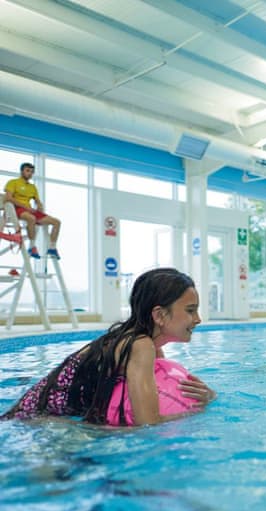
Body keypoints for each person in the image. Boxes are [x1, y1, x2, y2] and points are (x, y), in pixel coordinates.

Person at [2, 268, 216, 426]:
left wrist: (207, 396)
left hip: (43, 415)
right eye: (190, 310)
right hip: (33, 420)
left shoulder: (145, 345)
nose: (198, 319)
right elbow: (148, 425)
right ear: (159, 315)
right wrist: (199, 409)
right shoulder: (141, 346)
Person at [4, 162, 62, 259]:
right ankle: (32, 247)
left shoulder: (32, 187)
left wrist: (39, 205)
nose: (30, 173)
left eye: (32, 172)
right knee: (31, 218)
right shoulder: (13, 182)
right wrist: (25, 207)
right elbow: (8, 198)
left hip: (29, 210)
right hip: (16, 209)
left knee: (56, 222)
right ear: (22, 171)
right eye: (27, 171)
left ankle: (52, 248)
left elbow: (37, 201)